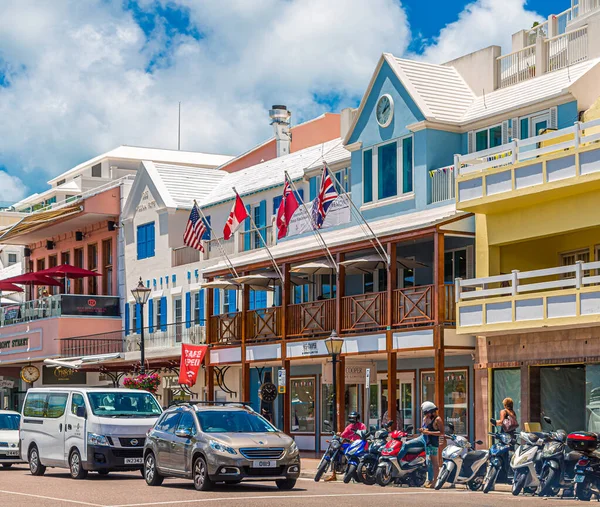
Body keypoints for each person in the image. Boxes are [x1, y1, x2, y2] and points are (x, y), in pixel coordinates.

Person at [326, 411, 366, 482]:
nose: (352, 419)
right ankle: (334, 474)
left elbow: (364, 434)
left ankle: (362, 472)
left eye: (354, 418)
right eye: (351, 418)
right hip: (350, 444)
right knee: (336, 449)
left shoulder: (362, 426)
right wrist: (339, 435)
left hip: (359, 445)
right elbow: (343, 435)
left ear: (357, 418)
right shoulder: (349, 426)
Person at [419, 401, 444, 488]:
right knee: (429, 462)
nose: (427, 415)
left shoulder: (438, 419)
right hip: (428, 442)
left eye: (428, 413)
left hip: (433, 443)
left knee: (435, 463)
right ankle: (431, 480)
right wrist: (423, 430)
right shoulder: (429, 419)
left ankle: (435, 481)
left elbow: (441, 433)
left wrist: (428, 432)